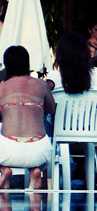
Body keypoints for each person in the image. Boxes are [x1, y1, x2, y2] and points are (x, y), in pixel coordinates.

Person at [0, 46, 55, 190]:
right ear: (27, 63)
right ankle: (34, 170)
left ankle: (4, 170)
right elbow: (51, 109)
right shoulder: (42, 84)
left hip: (8, 152)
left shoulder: (1, 87)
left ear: (7, 65)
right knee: (36, 147)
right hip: (39, 151)